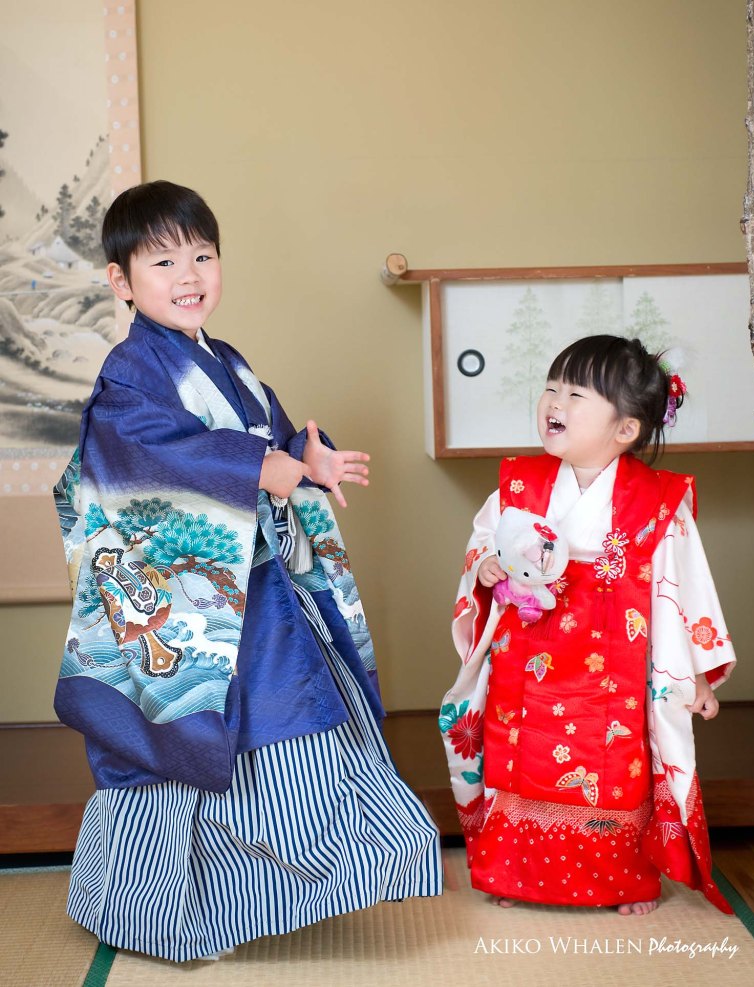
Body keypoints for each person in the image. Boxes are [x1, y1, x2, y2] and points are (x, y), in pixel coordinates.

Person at [54, 180, 441, 962]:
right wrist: (258, 465)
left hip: (258, 595)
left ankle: (254, 899)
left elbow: (267, 443)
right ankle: (153, 912)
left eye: (202, 254)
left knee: (288, 726)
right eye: (162, 260)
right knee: (186, 744)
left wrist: (305, 457)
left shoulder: (224, 362)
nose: (188, 273)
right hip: (193, 607)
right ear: (121, 282)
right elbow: (149, 460)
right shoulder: (131, 376)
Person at [440, 334, 735, 915]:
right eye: (552, 387)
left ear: (625, 429)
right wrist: (488, 562)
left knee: (614, 773)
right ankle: (515, 873)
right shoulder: (519, 484)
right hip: (525, 658)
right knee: (517, 761)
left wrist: (694, 675)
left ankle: (621, 882)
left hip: (614, 674)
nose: (555, 401)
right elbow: (482, 543)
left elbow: (687, 592)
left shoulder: (656, 501)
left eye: (576, 393)